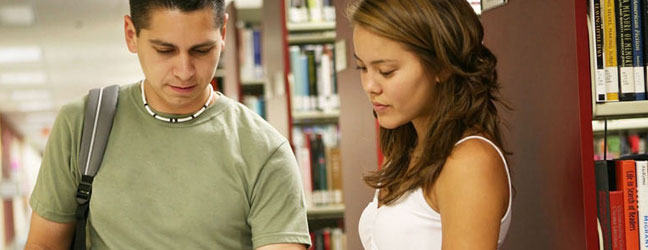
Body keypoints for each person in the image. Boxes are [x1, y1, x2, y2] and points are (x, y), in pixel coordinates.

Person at [24, 1, 310, 249]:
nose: (184, 71)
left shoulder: (265, 151)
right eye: (165, 50)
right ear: (130, 34)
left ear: (223, 33)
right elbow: (45, 244)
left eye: (201, 50)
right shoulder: (82, 124)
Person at [350, 0, 512, 249]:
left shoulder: (469, 162)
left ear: (442, 66)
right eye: (362, 67)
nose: (370, 86)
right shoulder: (407, 149)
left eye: (386, 71)